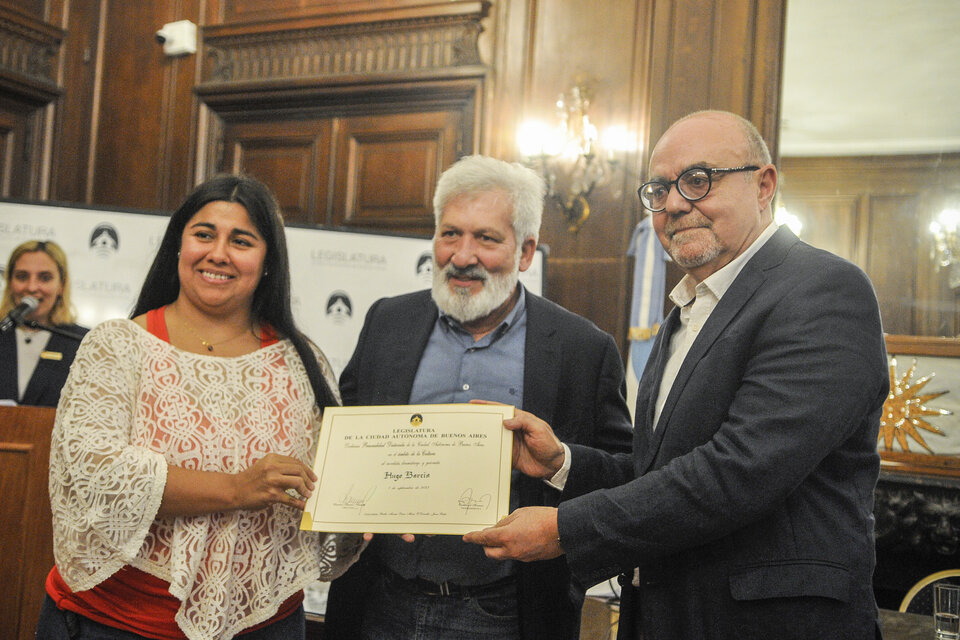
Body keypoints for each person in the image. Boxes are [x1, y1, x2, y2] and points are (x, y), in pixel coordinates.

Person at [464, 111, 889, 640]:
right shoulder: (683, 315)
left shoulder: (823, 290)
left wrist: (564, 529)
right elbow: (660, 473)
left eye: (699, 180)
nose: (674, 204)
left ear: (764, 184)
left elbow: (738, 472)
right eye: (660, 188)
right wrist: (564, 463)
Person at [36, 174, 365, 640]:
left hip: (266, 624)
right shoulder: (118, 346)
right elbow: (100, 477)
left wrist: (363, 503)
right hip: (118, 623)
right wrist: (236, 487)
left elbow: (327, 477)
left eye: (242, 240)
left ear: (268, 260)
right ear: (178, 245)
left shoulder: (301, 360)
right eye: (204, 234)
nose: (219, 253)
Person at [323, 154, 634, 640]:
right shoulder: (387, 322)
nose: (462, 256)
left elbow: (624, 474)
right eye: (450, 234)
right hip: (380, 601)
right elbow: (339, 436)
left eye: (486, 238)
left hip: (509, 613)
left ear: (526, 252)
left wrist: (560, 462)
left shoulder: (582, 349)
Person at [0, 240, 87, 407]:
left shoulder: (82, 341)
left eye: (45, 278)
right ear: (10, 283)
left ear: (61, 284)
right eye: (22, 276)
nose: (32, 287)